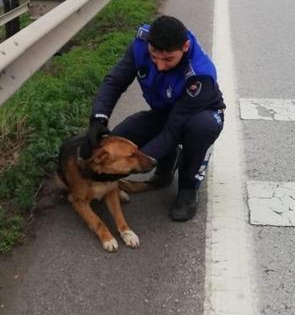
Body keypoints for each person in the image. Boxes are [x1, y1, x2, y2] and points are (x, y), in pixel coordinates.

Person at [83, 15, 225, 221]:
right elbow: (114, 83)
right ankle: (165, 169)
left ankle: (188, 188)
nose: (159, 66)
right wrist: (99, 118)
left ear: (185, 47)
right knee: (117, 141)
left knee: (198, 129)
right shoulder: (141, 45)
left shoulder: (199, 75)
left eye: (168, 59)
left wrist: (138, 162)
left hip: (200, 115)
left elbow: (172, 131)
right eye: (154, 57)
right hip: (165, 112)